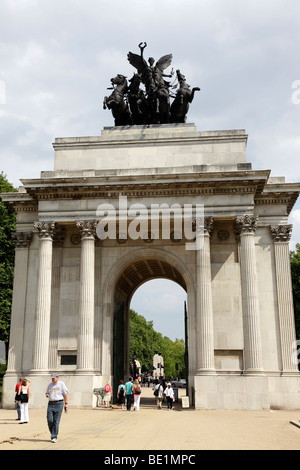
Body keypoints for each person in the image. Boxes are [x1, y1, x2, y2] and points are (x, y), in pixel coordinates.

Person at [45, 373, 68, 443]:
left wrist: (66, 403)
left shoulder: (61, 384)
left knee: (56, 421)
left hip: (59, 403)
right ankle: (53, 432)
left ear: (57, 378)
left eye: (54, 378)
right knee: (49, 419)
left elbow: (65, 394)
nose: (53, 379)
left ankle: (54, 436)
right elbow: (47, 392)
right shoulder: (50, 385)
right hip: (51, 403)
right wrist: (47, 394)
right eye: (52, 378)